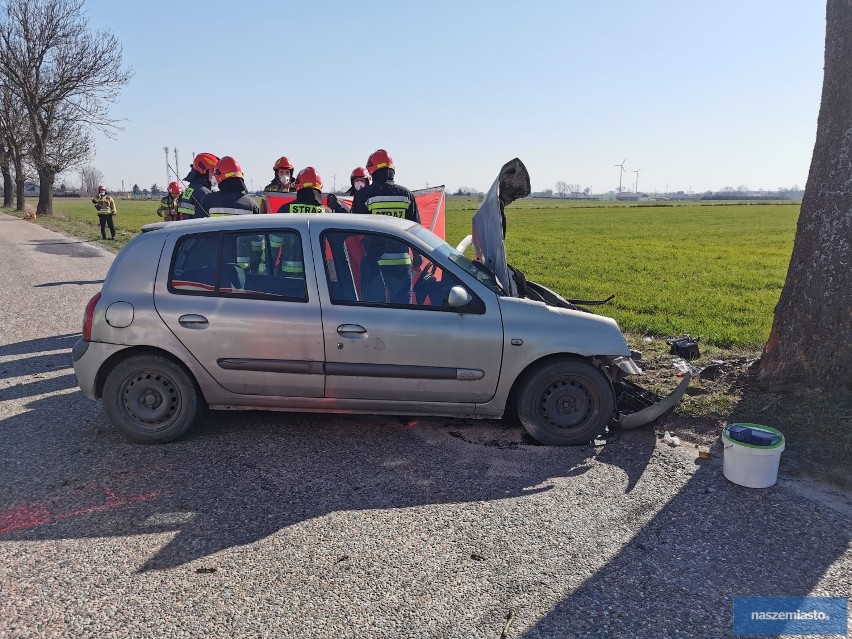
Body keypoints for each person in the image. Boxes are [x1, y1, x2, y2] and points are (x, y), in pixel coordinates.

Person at [351, 149, 421, 303]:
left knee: (375, 313)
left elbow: (353, 224)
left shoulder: (364, 195)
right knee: (403, 312)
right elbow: (416, 228)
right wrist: (417, 255)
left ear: (372, 169)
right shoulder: (406, 195)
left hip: (374, 263)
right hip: (401, 262)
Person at [274, 167, 331, 275]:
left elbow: (274, 243)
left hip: (287, 273)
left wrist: (272, 268)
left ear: (297, 185)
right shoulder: (327, 212)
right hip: (319, 275)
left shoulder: (285, 210)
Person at [177, 152, 219, 219]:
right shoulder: (203, 192)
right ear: (204, 170)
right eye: (214, 171)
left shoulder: (189, 189)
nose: (216, 175)